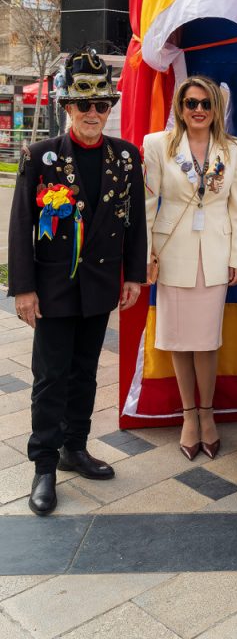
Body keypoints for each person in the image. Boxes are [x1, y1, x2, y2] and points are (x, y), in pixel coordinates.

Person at [8, 48, 147, 516]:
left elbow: (136, 223)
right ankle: (44, 464)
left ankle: (75, 447)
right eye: (84, 104)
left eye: (102, 105)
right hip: (52, 289)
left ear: (110, 109)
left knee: (86, 372)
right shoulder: (40, 156)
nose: (93, 113)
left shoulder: (125, 157)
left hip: (101, 283)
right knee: (51, 377)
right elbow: (22, 224)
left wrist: (134, 275)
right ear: (67, 106)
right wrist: (23, 289)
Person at [143, 76, 237, 461]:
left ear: (215, 108)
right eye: (191, 103)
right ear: (180, 107)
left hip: (216, 254)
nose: (199, 110)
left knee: (206, 339)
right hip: (172, 250)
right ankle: (189, 415)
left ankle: (207, 414)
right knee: (177, 338)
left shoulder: (235, 149)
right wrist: (147, 253)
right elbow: (147, 202)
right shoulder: (157, 145)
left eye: (205, 103)